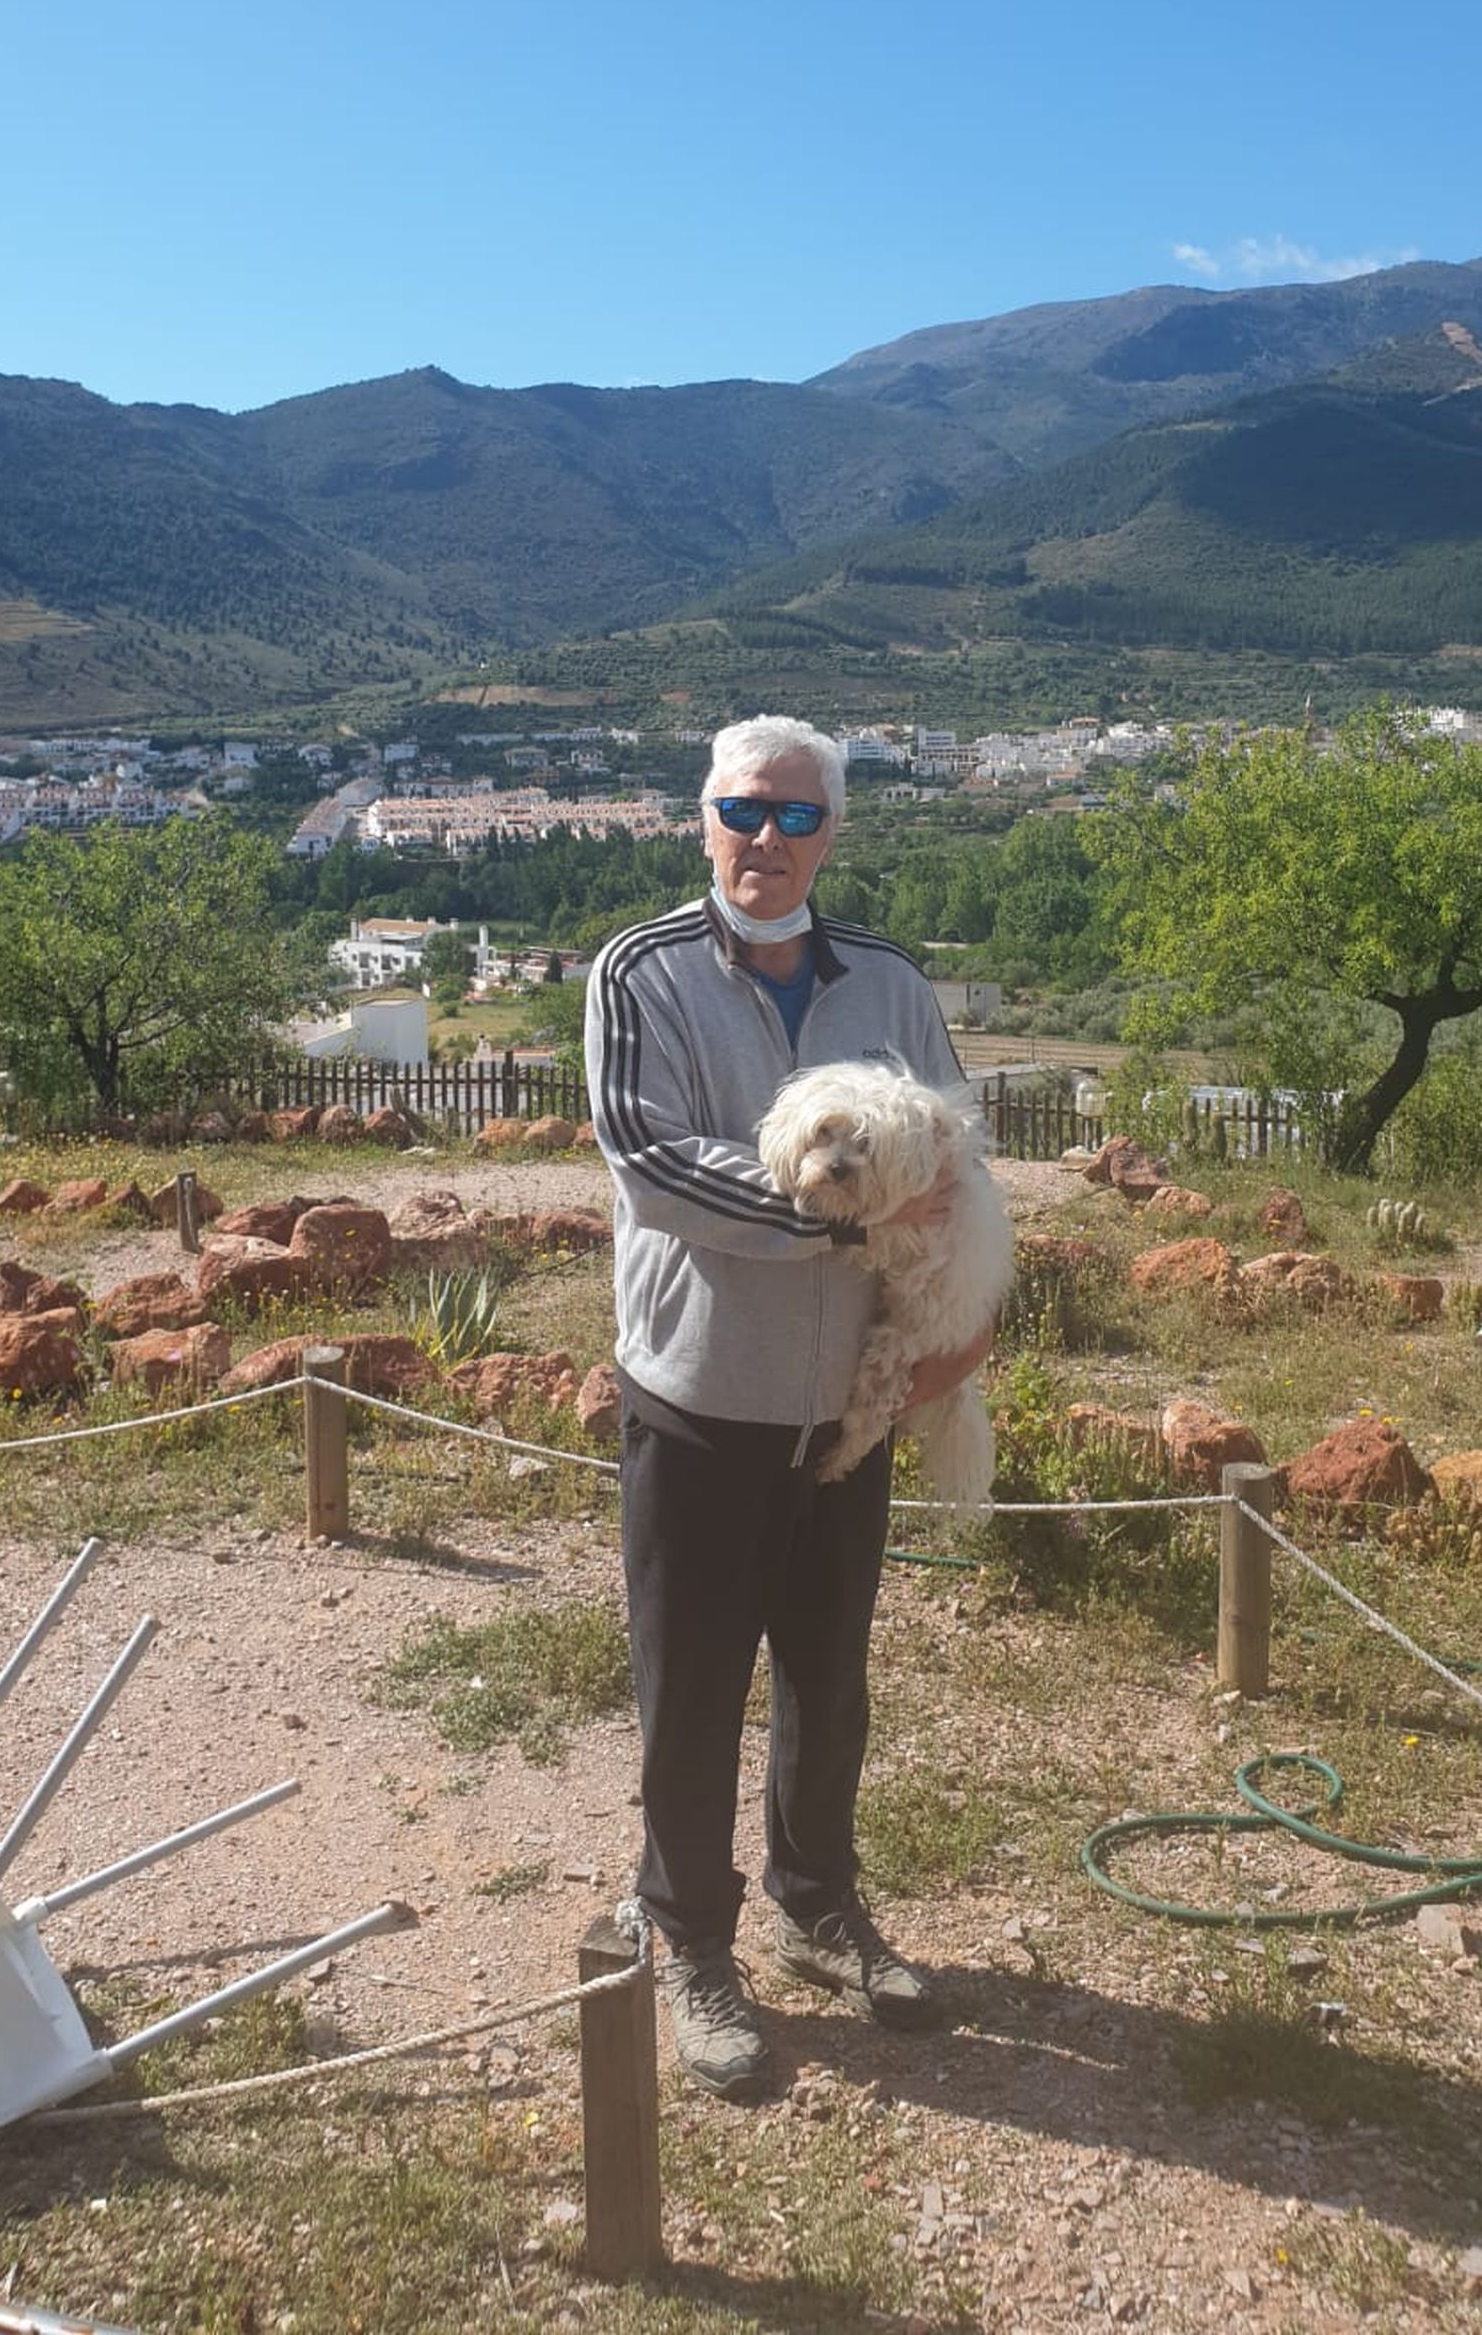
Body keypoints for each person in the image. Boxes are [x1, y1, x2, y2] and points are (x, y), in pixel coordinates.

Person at [584, 714, 990, 2099]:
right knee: (692, 1689)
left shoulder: (891, 983)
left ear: (833, 832)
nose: (768, 838)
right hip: (702, 1395)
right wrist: (842, 1211)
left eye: (798, 815)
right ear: (702, 820)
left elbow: (957, 1166)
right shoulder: (639, 972)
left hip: (845, 1408)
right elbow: (653, 1166)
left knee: (829, 1678)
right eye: (744, 811)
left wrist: (964, 1319)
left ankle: (816, 1908)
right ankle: (691, 1940)